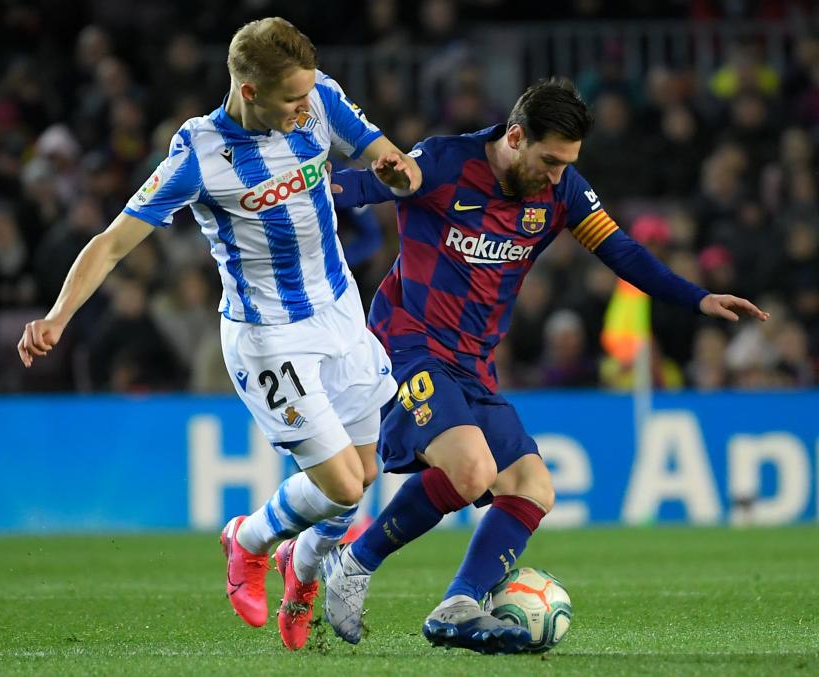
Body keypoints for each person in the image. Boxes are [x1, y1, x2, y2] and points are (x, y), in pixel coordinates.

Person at [322, 78, 769, 654]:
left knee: (532, 487)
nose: (558, 175)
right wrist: (293, 189)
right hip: (408, 343)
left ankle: (459, 602)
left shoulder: (561, 193)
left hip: (473, 362)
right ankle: (353, 565)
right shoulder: (443, 162)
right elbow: (363, 185)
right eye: (550, 160)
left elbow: (622, 251)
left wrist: (697, 297)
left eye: (568, 164)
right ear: (514, 136)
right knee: (471, 470)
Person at [16, 17, 419, 651]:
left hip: (341, 312)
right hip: (268, 336)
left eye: (308, 94)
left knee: (363, 477)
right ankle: (249, 540)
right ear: (250, 91)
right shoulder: (198, 156)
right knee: (340, 483)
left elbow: (383, 154)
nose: (304, 108)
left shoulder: (321, 100)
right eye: (291, 99)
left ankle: (301, 570)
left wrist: (395, 171)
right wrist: (58, 316)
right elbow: (112, 243)